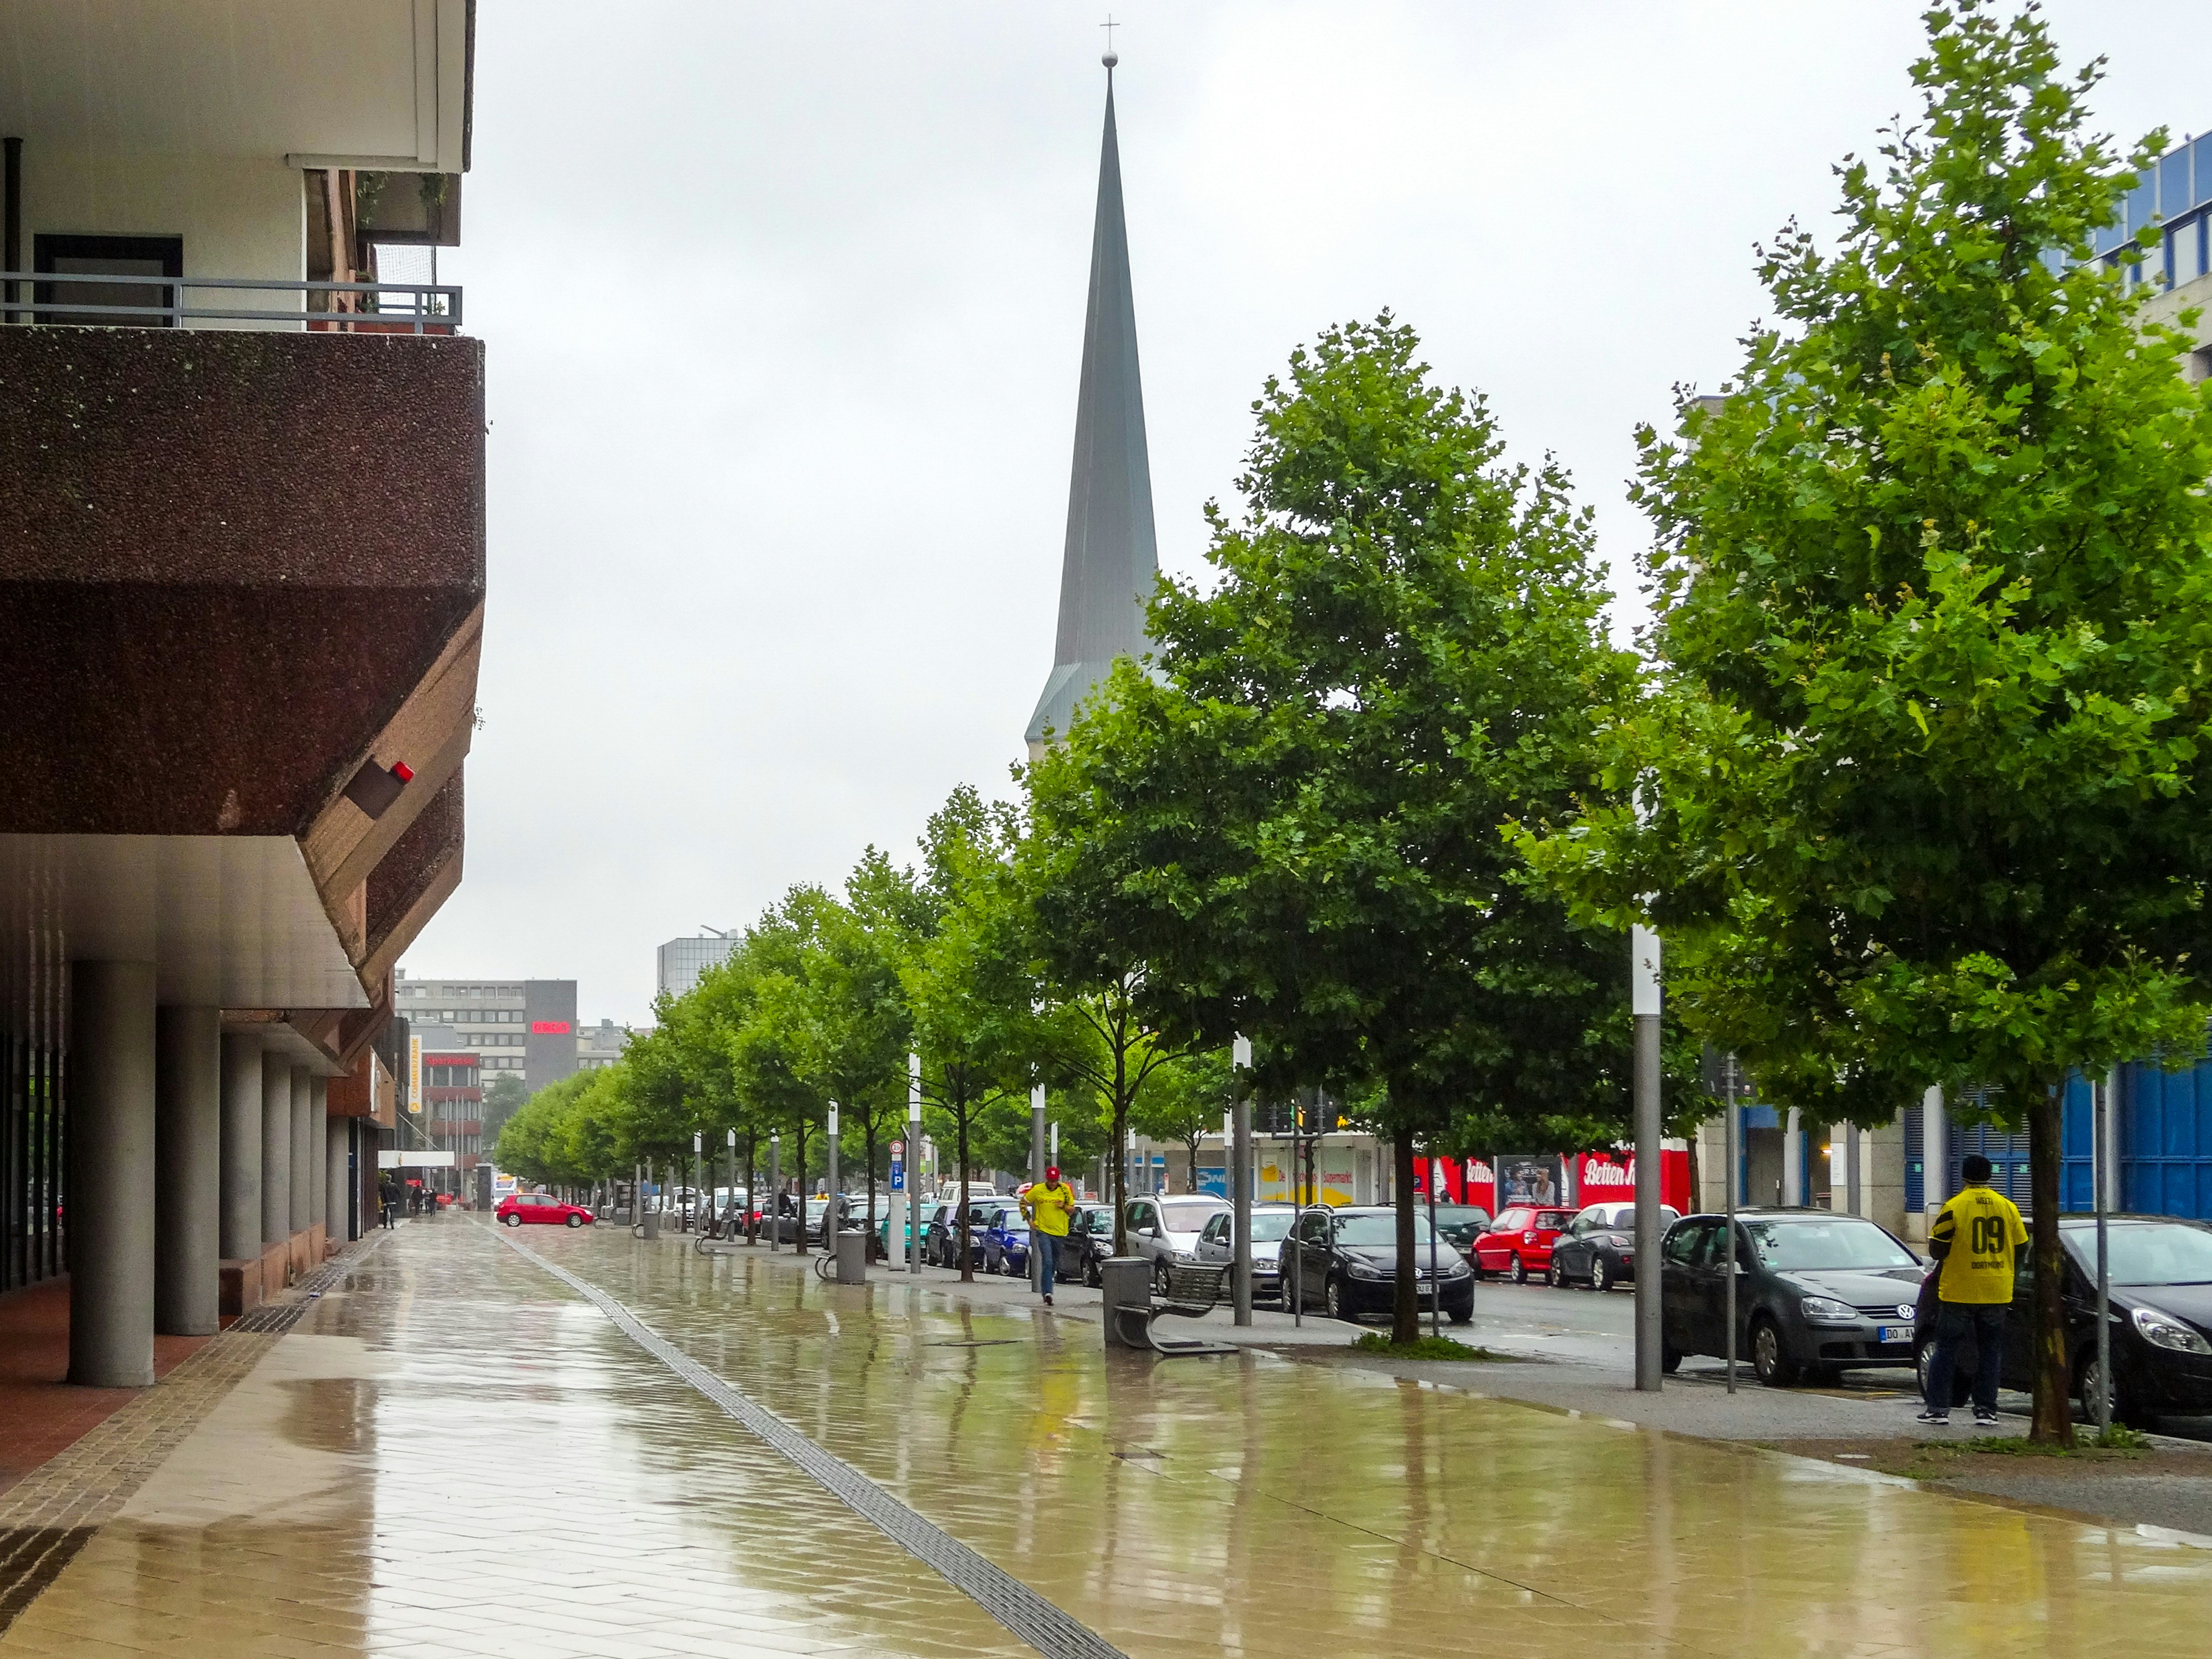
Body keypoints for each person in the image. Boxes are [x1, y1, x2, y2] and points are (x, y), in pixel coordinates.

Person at [1919, 1152, 2030, 1427]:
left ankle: (1938, 1409)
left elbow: (1937, 1249)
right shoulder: (2008, 1207)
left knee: (1946, 1349)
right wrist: (2009, 1273)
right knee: (1991, 1350)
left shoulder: (1954, 1207)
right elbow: (2022, 1246)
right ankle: (1986, 1410)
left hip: (1959, 1290)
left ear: (1964, 1176)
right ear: (1990, 1176)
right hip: (1997, 1290)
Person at [1021, 1165, 1078, 1306]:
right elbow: (1023, 1202)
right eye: (1051, 1180)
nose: (1053, 1183)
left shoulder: (1065, 1190)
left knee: (1054, 1262)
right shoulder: (1038, 1190)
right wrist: (1029, 1220)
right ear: (1047, 1179)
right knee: (1047, 1261)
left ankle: (1047, 1283)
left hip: (1060, 1232)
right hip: (1043, 1231)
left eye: (1055, 1181)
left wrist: (1063, 1206)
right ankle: (1047, 1292)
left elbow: (1072, 1210)